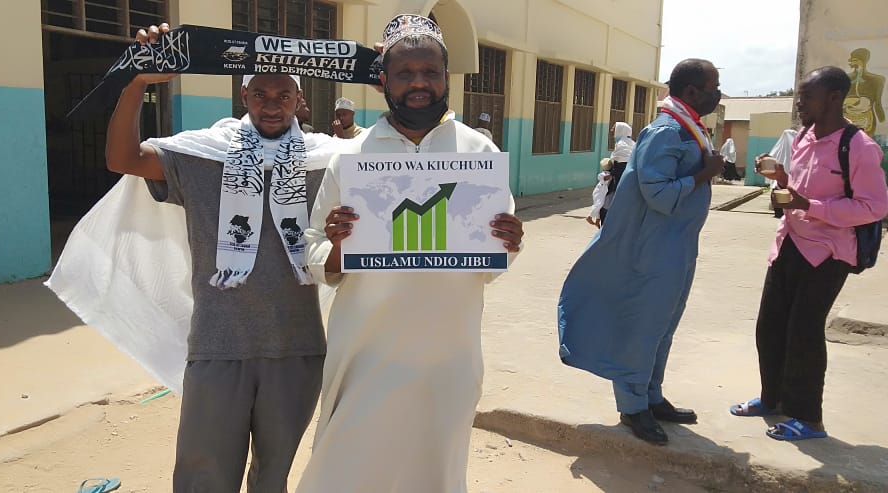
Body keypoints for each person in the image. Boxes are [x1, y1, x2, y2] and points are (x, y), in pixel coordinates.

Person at [100, 23, 344, 492]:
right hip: (219, 345)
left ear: (300, 101)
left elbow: (396, 162)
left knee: (273, 476)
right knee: (204, 477)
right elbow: (122, 158)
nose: (271, 105)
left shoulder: (325, 161)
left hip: (296, 348)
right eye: (260, 94)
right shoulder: (203, 157)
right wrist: (136, 81)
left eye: (283, 95)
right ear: (243, 95)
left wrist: (385, 71)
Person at [295, 15, 524, 492]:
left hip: (448, 354)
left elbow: (492, 262)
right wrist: (338, 247)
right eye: (405, 73)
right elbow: (312, 249)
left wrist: (508, 241)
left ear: (446, 77)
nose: (419, 82)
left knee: (433, 472)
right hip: (366, 353)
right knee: (347, 472)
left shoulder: (478, 153)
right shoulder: (351, 157)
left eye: (430, 71)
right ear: (384, 80)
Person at [557, 58, 725, 445]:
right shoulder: (666, 132)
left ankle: (651, 395)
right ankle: (632, 407)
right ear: (691, 91)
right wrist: (704, 173)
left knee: (663, 327)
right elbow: (659, 193)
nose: (718, 94)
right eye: (713, 87)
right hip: (654, 249)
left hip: (678, 245)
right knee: (642, 327)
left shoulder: (688, 127)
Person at [730, 67, 888, 441]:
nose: (799, 103)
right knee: (770, 326)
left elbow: (875, 206)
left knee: (804, 331)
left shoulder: (859, 146)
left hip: (829, 253)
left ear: (834, 98)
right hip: (789, 241)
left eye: (806, 97)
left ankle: (808, 418)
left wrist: (809, 205)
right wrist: (781, 178)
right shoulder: (804, 136)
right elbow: (797, 188)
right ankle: (773, 399)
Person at [845, 48, 885, 135]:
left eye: (855, 60)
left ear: (863, 61)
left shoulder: (877, 80)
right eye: (852, 60)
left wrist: (883, 123)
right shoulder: (845, 78)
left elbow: (878, 104)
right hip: (848, 119)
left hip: (866, 122)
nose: (852, 63)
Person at [587, 158, 614, 228]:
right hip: (599, 192)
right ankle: (589, 216)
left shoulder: (608, 173)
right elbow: (606, 178)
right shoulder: (603, 174)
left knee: (600, 207)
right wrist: (614, 173)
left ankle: (597, 221)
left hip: (602, 193)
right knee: (599, 204)